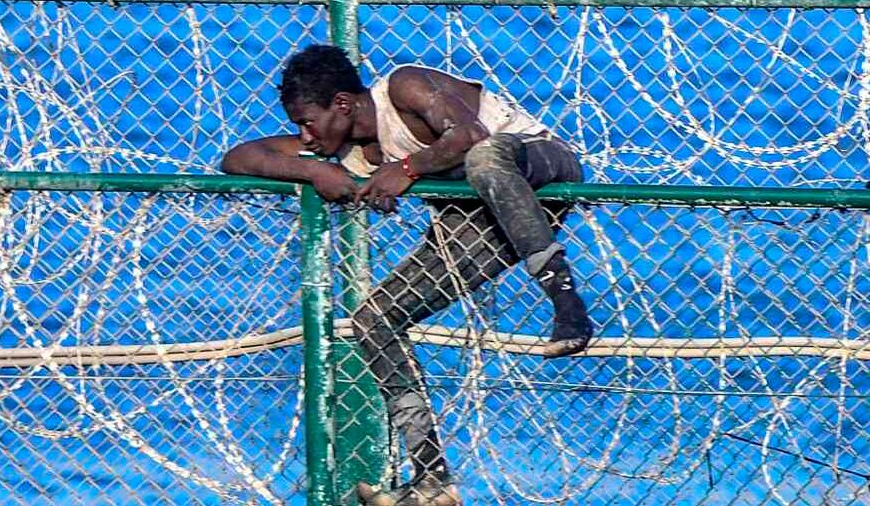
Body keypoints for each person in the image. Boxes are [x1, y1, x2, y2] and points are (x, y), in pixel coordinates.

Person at [221, 44, 592, 506]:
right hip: (477, 215)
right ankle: (432, 480)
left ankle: (567, 305)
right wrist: (313, 170)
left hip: (537, 167)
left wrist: (407, 168)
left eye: (308, 122)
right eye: (298, 126)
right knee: (373, 320)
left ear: (342, 104)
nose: (304, 134)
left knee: (485, 157)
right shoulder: (344, 148)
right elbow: (239, 157)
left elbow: (470, 135)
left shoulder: (402, 88)